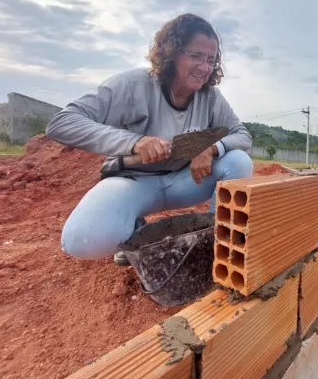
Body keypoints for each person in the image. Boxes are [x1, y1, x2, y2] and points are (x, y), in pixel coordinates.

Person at [46, 13, 253, 265]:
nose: (204, 68)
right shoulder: (133, 84)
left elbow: (242, 136)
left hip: (182, 181)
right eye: (195, 55)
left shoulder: (210, 97)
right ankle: (134, 230)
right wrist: (134, 142)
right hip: (134, 182)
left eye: (210, 60)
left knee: (238, 161)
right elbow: (62, 123)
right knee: (82, 239)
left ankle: (214, 238)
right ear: (172, 52)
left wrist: (211, 149)